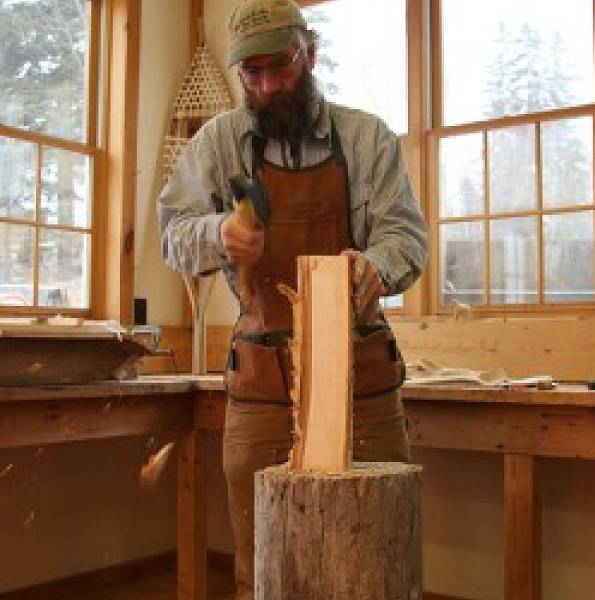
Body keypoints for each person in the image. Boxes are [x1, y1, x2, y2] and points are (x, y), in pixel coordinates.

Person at [158, 0, 427, 597]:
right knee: (266, 558)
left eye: (279, 68)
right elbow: (172, 234)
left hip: (362, 375)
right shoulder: (217, 143)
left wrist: (374, 267)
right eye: (250, 74)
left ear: (310, 54)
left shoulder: (365, 138)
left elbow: (405, 234)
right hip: (260, 379)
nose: (266, 86)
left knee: (375, 543)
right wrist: (216, 234)